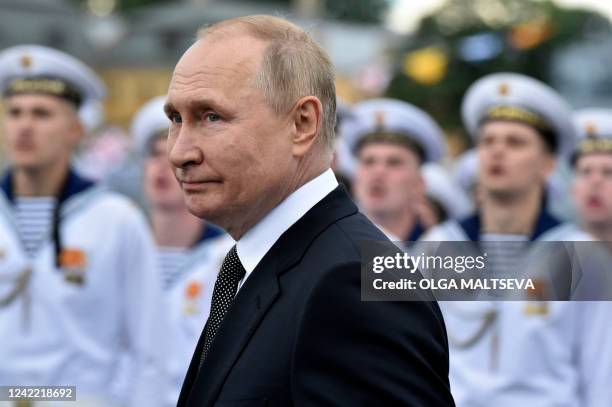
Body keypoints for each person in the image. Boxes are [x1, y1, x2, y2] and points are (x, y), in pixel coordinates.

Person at [164, 15, 454, 406]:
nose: (180, 152)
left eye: (211, 117)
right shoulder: (277, 262)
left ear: (303, 123)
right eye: (176, 119)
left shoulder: (349, 281)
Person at [422, 73, 612, 406]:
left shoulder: (584, 257)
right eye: (487, 140)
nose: (497, 151)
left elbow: (601, 378)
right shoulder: (437, 246)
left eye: (515, 142)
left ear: (548, 164)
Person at [0, 45, 168, 407]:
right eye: (15, 113)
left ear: (75, 129)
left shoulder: (116, 220)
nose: (24, 126)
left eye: (42, 114)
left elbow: (149, 350)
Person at [131, 96, 232, 406]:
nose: (164, 167)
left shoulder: (228, 257)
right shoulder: (120, 245)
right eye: (155, 155)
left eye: (388, 162)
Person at [341, 98, 449, 243]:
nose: (378, 172)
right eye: (368, 162)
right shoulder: (330, 244)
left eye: (394, 163)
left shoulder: (443, 253)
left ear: (419, 184)